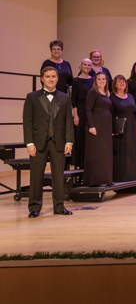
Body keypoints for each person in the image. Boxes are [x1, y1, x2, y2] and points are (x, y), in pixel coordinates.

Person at [23, 66, 74, 217]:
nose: (51, 79)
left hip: (58, 141)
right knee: (36, 176)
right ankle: (34, 207)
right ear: (42, 78)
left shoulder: (65, 98)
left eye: (53, 76)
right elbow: (27, 122)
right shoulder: (32, 97)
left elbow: (68, 121)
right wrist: (29, 143)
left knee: (58, 176)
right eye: (48, 76)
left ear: (57, 78)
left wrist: (69, 141)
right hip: (38, 142)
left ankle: (59, 206)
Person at [110, 74, 136, 182]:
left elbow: (135, 112)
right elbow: (111, 114)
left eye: (123, 81)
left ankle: (132, 174)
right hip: (120, 127)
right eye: (119, 82)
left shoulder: (130, 96)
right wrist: (113, 129)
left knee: (131, 150)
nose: (122, 83)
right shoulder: (112, 97)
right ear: (115, 84)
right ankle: (121, 176)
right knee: (122, 151)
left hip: (132, 125)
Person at [84, 72, 113, 186]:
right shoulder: (92, 93)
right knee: (97, 152)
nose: (101, 81)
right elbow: (88, 110)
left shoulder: (106, 93)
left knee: (105, 152)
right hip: (96, 123)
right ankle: (96, 180)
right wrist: (92, 126)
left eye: (103, 79)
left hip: (106, 124)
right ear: (95, 81)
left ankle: (105, 179)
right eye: (99, 79)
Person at [71, 58, 94, 168]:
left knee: (90, 137)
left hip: (92, 111)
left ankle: (89, 164)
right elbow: (73, 99)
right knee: (80, 136)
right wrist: (75, 115)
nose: (86, 66)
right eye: (84, 64)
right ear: (80, 66)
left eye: (89, 65)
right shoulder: (75, 81)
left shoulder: (93, 80)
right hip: (80, 110)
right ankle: (80, 165)